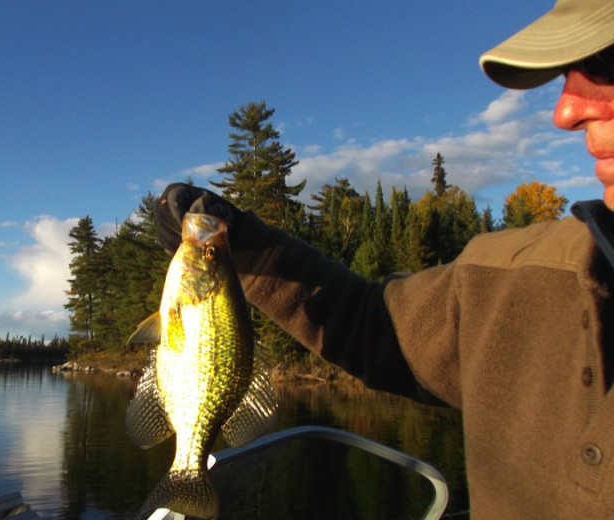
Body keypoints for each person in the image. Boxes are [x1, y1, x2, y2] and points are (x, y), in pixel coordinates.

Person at [154, 1, 614, 518]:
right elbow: (372, 326)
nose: (566, 110)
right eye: (567, 74)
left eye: (605, 65)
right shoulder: (505, 279)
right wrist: (242, 242)